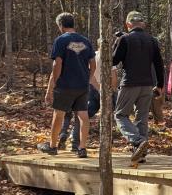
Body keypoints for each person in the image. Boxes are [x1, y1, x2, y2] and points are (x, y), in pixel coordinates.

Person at [39, 13, 96, 158]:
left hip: (65, 83)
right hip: (82, 85)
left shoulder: (60, 40)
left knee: (59, 114)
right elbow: (93, 64)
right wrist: (87, 78)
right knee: (83, 115)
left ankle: (52, 146)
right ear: (73, 24)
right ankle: (82, 148)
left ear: (61, 26)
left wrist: (54, 83)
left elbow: (57, 63)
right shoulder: (86, 41)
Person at [111, 11, 165, 165]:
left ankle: (137, 140)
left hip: (129, 83)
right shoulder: (152, 40)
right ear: (142, 24)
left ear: (128, 25)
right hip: (147, 85)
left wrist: (117, 42)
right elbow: (159, 64)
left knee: (120, 115)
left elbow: (114, 60)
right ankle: (140, 154)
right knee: (141, 118)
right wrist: (160, 85)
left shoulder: (124, 39)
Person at [60, 50, 101, 151]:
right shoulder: (85, 67)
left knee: (67, 115)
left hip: (66, 89)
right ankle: (76, 144)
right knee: (80, 118)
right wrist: (99, 90)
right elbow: (92, 80)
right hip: (81, 91)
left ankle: (63, 133)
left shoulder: (65, 63)